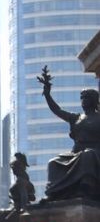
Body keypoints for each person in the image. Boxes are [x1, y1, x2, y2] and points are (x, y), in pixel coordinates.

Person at [37, 66, 100, 201]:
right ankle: (54, 193)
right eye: (82, 98)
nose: (83, 100)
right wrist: (48, 94)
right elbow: (57, 110)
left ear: (94, 100)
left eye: (86, 98)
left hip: (95, 153)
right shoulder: (76, 117)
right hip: (76, 153)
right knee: (53, 162)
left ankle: (86, 188)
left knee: (87, 155)